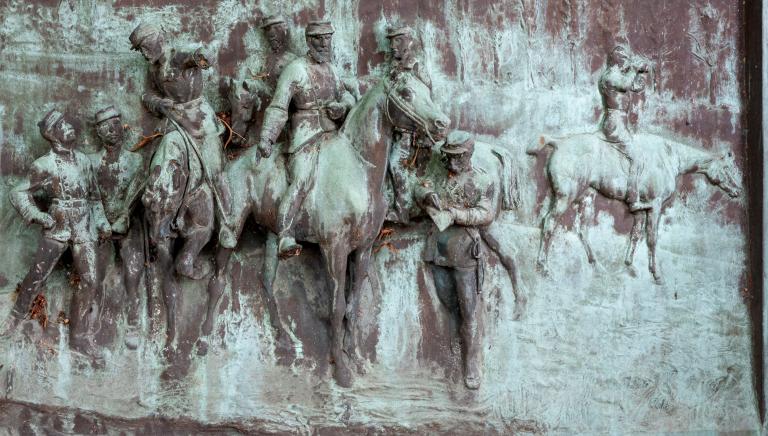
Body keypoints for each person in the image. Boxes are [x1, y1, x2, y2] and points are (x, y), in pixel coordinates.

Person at [9, 109, 111, 357]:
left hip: (83, 227)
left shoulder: (84, 161)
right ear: (52, 134)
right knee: (37, 275)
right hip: (58, 226)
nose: (70, 127)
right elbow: (18, 192)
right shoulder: (43, 165)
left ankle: (79, 337)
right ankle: (13, 319)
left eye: (68, 123)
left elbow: (95, 197)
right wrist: (37, 215)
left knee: (90, 281)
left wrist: (102, 221)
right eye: (63, 125)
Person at [130, 22, 229, 278]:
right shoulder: (154, 69)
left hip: (199, 123)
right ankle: (136, 209)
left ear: (156, 38)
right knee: (158, 164)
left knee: (215, 172)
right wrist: (158, 104)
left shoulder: (178, 54)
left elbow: (199, 57)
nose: (143, 53)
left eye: (144, 47)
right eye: (139, 49)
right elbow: (147, 95)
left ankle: (227, 223)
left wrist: (200, 58)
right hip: (174, 122)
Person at [257, 20, 356, 257]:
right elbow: (279, 107)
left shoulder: (331, 69)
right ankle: (285, 235)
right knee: (301, 179)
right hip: (306, 137)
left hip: (334, 134)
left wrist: (342, 107)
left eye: (327, 39)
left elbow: (347, 96)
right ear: (308, 41)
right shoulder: (295, 69)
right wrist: (267, 138)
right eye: (317, 40)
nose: (323, 44)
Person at [415, 131, 494, 390]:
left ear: (467, 155)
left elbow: (486, 213)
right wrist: (426, 197)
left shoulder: (481, 180)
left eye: (455, 158)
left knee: (469, 309)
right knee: (449, 301)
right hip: (439, 249)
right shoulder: (440, 173)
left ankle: (471, 360)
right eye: (446, 157)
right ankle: (461, 334)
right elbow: (421, 185)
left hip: (463, 251)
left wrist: (455, 214)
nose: (449, 163)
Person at [93, 106, 144, 347]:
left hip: (128, 225)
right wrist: (103, 222)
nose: (112, 131)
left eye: (115, 125)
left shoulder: (136, 161)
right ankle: (93, 319)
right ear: (98, 133)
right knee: (94, 273)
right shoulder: (92, 163)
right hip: (99, 225)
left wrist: (124, 218)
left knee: (133, 272)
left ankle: (134, 320)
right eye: (105, 127)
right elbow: (90, 196)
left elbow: (137, 196)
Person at [385, 25, 433, 223]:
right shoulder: (394, 66)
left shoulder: (414, 65)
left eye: (396, 41)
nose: (392, 46)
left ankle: (403, 210)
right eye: (390, 42)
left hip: (411, 131)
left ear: (408, 41)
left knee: (396, 163)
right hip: (396, 127)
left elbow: (427, 93)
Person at [598, 45, 650, 211]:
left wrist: (641, 74)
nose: (627, 64)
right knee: (636, 158)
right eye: (625, 60)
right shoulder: (610, 76)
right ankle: (633, 199)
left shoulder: (618, 76)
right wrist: (634, 68)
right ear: (618, 60)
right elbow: (625, 84)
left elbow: (634, 87)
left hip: (620, 122)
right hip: (615, 124)